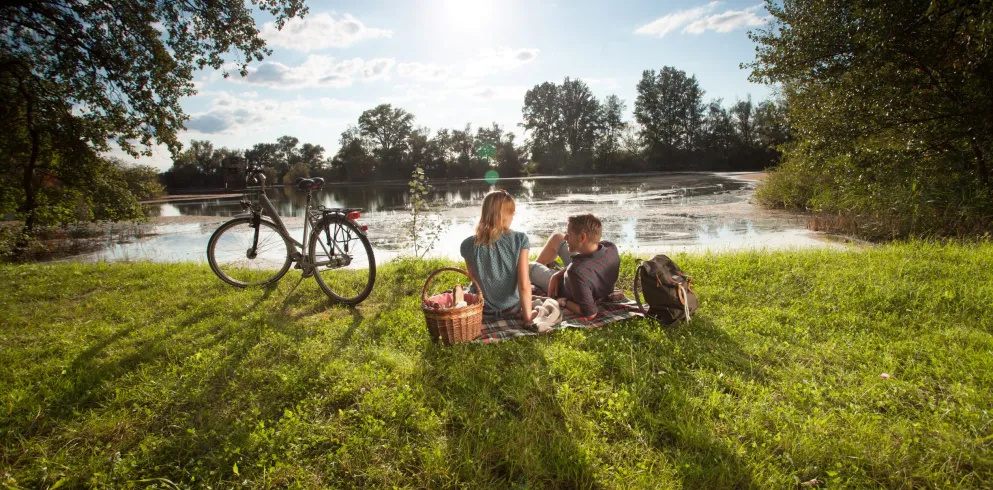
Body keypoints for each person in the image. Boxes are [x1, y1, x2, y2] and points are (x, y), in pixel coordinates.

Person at [460, 190, 536, 322]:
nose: (513, 217)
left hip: (482, 311)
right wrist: (528, 319)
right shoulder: (520, 239)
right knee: (530, 289)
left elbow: (473, 278)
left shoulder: (466, 244)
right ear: (504, 215)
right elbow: (523, 284)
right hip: (511, 309)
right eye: (511, 212)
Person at [529, 214, 620, 320]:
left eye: (569, 235)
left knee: (527, 266)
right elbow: (580, 268)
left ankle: (533, 274)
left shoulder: (576, 271)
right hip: (589, 277)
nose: (565, 237)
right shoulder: (610, 247)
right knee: (557, 237)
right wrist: (559, 273)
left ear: (582, 237)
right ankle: (536, 274)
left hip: (562, 287)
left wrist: (564, 302)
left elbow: (590, 313)